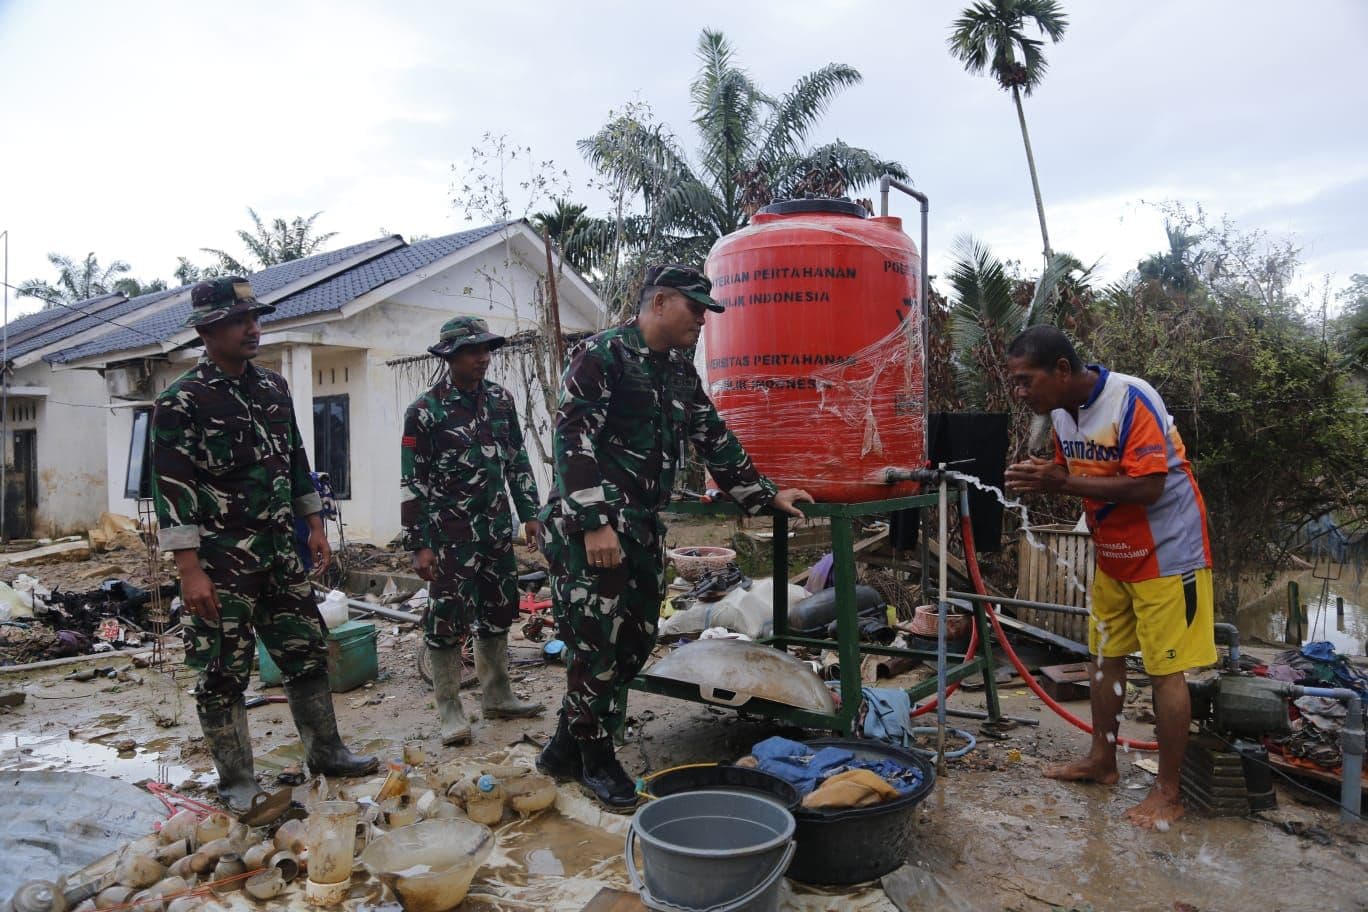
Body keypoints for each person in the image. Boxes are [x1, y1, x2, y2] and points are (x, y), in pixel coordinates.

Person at [536, 263, 814, 809]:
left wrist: (765, 494)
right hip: (594, 529)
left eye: (707, 312)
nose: (703, 322)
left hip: (641, 527)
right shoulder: (602, 355)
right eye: (695, 309)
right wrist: (594, 522)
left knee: (636, 640)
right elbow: (572, 438)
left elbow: (713, 436)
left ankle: (563, 750)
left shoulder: (679, 372)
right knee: (596, 645)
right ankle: (594, 757)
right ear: (660, 302)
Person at [152, 277, 378, 813]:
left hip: (279, 552)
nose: (252, 328)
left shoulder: (273, 388)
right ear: (207, 331)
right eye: (238, 321)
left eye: (255, 318)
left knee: (306, 651)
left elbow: (295, 459)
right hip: (221, 562)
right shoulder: (181, 401)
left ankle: (327, 752)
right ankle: (237, 782)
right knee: (221, 670)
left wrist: (314, 524)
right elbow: (172, 489)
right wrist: (189, 570)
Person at [1003, 325, 1215, 829]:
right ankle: (1102, 761)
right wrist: (1046, 478)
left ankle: (1169, 793)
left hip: (1167, 552)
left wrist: (1060, 482)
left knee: (1165, 670)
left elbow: (1149, 486)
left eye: (1026, 379)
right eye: (1016, 383)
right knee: (1103, 656)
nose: (1020, 392)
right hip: (1114, 551)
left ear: (1061, 369)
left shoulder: (1131, 398)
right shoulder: (1061, 414)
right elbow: (1075, 477)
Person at [401, 316, 545, 747]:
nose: (482, 358)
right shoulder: (425, 411)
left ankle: (497, 696)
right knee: (446, 620)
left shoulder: (500, 400)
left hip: (495, 530)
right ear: (450, 356)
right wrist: (418, 544)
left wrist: (530, 513)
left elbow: (517, 459)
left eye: (486, 350)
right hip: (450, 537)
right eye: (472, 351)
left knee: (498, 611)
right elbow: (413, 482)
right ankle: (449, 709)